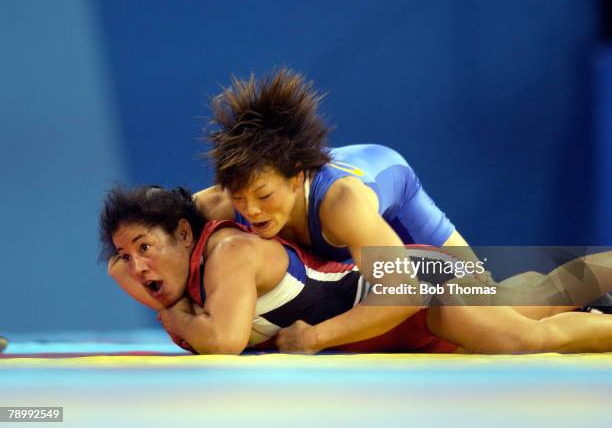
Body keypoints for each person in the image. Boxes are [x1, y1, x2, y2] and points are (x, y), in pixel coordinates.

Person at [193, 68, 587, 352]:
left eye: (263, 195)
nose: (252, 210)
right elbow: (154, 228)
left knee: (491, 304)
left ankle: (589, 284)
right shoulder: (221, 200)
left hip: (392, 187)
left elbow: (403, 293)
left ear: (296, 178)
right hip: (336, 195)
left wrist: (315, 337)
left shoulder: (342, 205)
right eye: (240, 198)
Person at [100, 185, 612, 355]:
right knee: (540, 292)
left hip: (409, 289)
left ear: (184, 233)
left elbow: (225, 341)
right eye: (126, 254)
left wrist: (177, 320)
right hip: (388, 312)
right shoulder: (171, 266)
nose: (136, 267)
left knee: (524, 339)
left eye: (144, 247)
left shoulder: (228, 252)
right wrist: (141, 254)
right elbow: (118, 271)